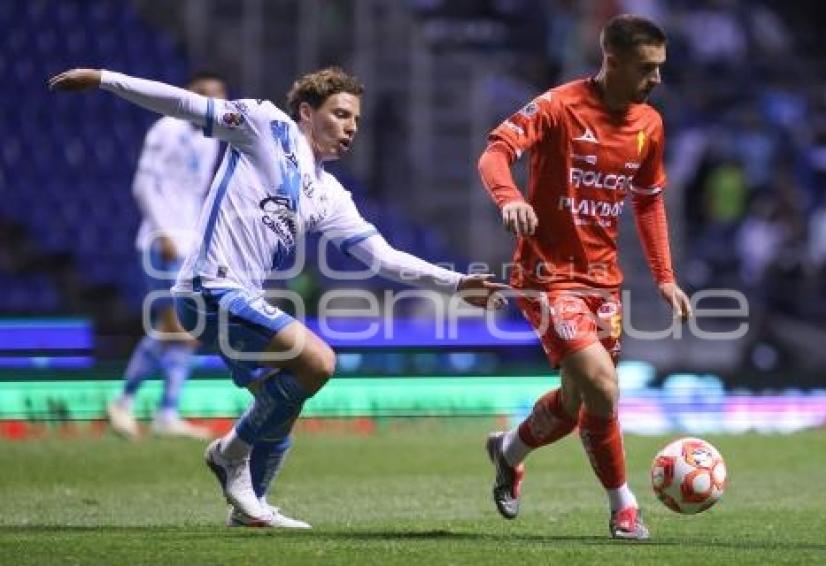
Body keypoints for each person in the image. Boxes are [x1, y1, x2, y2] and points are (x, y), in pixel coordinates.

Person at [50, 66, 507, 529]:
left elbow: (382, 257)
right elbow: (184, 105)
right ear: (307, 112)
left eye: (356, 121)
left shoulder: (328, 194)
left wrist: (454, 284)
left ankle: (250, 508)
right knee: (318, 362)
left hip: (237, 298)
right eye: (341, 114)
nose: (350, 127)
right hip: (209, 286)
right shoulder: (265, 125)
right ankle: (229, 454)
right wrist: (105, 78)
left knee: (281, 405)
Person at [477, 14, 692, 540]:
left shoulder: (649, 126)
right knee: (602, 385)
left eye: (661, 68)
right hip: (547, 276)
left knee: (576, 407)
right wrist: (509, 199)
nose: (657, 80)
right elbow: (496, 152)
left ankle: (508, 452)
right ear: (612, 61)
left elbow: (648, 202)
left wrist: (664, 276)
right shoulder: (558, 106)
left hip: (603, 280)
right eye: (647, 68)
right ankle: (624, 506)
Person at [107, 72, 227, 441]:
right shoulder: (165, 129)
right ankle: (125, 402)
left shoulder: (212, 141)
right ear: (187, 96)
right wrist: (163, 232)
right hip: (162, 242)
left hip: (189, 243)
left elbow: (200, 194)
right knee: (175, 324)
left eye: (219, 97)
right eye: (205, 95)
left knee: (186, 329)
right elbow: (142, 185)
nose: (213, 104)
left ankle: (166, 412)